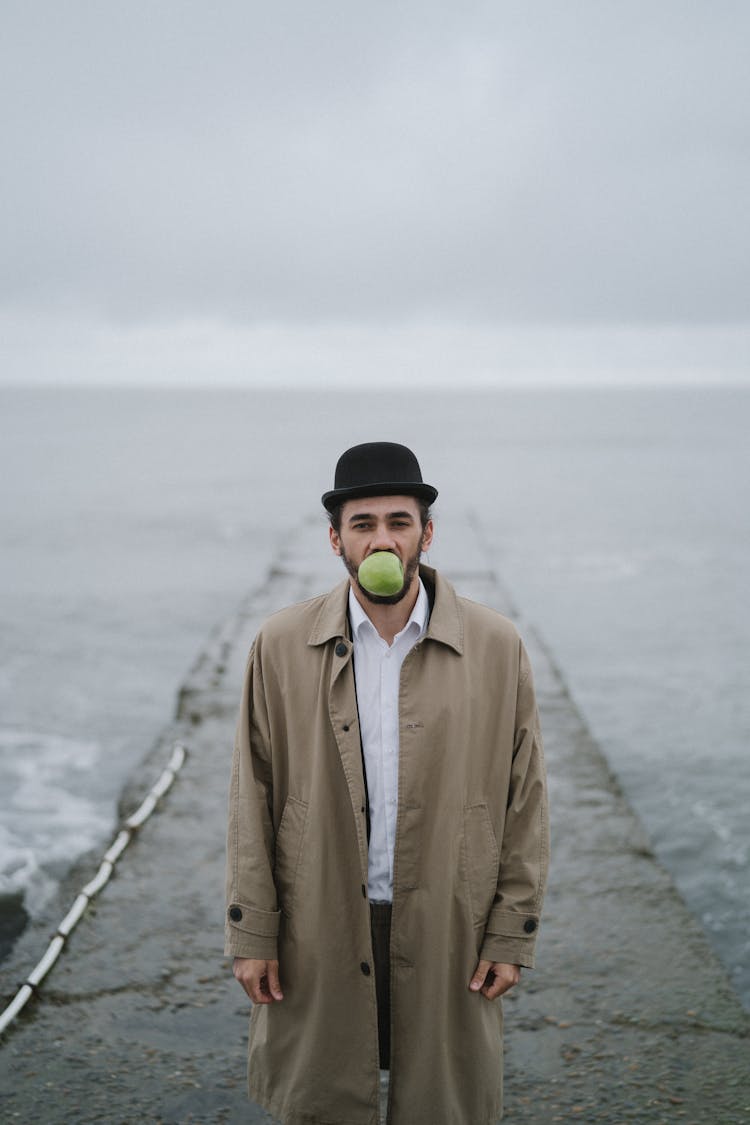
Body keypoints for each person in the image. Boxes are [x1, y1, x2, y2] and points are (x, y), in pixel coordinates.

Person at [225, 442, 549, 1125]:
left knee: (441, 1101)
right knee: (320, 1099)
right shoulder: (279, 644)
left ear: (426, 534)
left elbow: (526, 802)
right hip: (319, 913)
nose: (382, 538)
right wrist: (253, 929)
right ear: (335, 537)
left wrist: (510, 932)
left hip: (448, 919)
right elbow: (249, 797)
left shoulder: (496, 645)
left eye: (399, 522)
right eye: (364, 522)